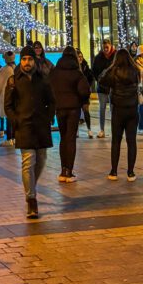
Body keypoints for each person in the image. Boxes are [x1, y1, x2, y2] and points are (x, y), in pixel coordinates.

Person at [4, 45, 54, 220]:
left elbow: (51, 101)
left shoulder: (43, 79)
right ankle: (31, 199)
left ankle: (31, 186)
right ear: (21, 60)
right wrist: (15, 120)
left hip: (41, 125)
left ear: (34, 61)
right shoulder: (14, 80)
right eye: (24, 59)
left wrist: (49, 116)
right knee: (28, 162)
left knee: (41, 160)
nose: (27, 62)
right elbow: (8, 105)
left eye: (30, 59)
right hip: (24, 125)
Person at [98, 46, 140, 182]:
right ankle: (131, 172)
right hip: (132, 109)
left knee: (116, 141)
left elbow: (102, 80)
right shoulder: (135, 70)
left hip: (118, 109)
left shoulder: (113, 71)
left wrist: (110, 68)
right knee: (131, 141)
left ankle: (114, 171)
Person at [51, 46, 90, 183]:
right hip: (74, 108)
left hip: (59, 108)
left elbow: (49, 88)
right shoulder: (77, 73)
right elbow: (84, 90)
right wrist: (84, 101)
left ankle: (63, 170)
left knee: (63, 138)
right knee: (71, 138)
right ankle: (69, 171)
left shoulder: (55, 72)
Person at [0, 51, 16, 147]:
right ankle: (14, 138)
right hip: (16, 97)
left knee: (8, 118)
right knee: (13, 118)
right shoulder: (16, 68)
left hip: (7, 96)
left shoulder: (4, 70)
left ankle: (9, 138)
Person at [91, 40, 115, 138]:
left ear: (110, 46)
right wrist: (99, 80)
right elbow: (94, 71)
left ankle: (115, 130)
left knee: (113, 109)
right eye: (104, 47)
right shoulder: (98, 58)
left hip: (113, 87)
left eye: (107, 47)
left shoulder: (115, 56)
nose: (105, 49)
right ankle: (102, 130)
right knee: (102, 108)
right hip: (102, 87)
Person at [75, 49, 94, 137]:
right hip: (75, 93)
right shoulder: (73, 68)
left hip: (84, 93)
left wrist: (88, 87)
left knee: (86, 111)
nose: (80, 58)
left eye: (81, 57)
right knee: (76, 112)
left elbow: (91, 78)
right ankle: (76, 130)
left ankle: (89, 129)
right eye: (78, 57)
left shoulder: (85, 66)